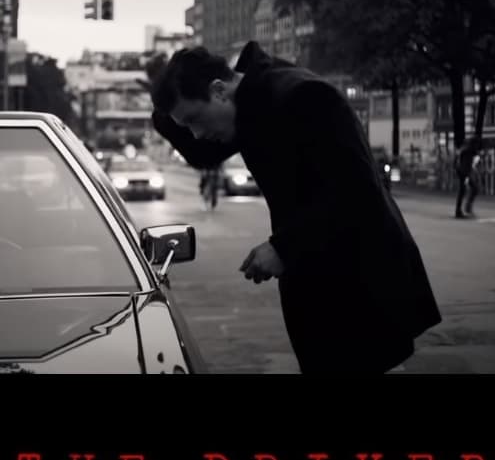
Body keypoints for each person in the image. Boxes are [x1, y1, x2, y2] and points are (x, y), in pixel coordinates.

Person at [150, 42, 442, 374]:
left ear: (218, 91)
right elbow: (202, 154)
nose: (197, 133)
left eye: (194, 119)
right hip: (323, 280)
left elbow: (357, 191)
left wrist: (284, 247)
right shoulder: (249, 107)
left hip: (362, 282)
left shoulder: (303, 97)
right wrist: (162, 100)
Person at [454, 136, 481, 218]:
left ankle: (464, 209)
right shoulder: (468, 151)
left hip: (463, 172)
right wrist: (467, 175)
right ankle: (461, 210)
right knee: (465, 190)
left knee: (469, 189)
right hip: (464, 173)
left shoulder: (466, 150)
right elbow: (465, 165)